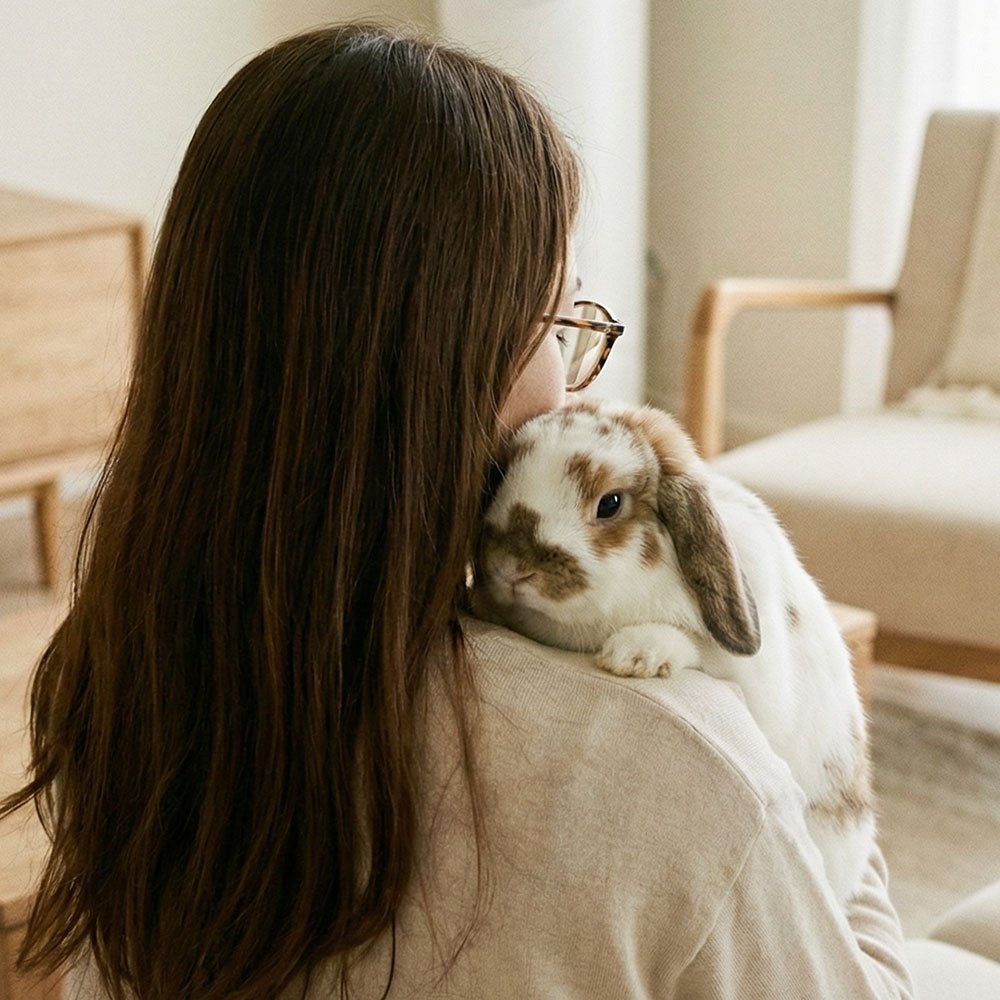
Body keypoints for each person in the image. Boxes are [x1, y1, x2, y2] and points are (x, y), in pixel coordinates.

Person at [0, 22, 914, 1000]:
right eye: (556, 323)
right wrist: (817, 786)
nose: (566, 389)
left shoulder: (118, 688)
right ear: (446, 373)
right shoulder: (663, 760)